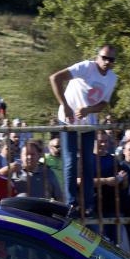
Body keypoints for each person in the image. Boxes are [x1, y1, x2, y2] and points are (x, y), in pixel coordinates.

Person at [49, 45, 118, 217]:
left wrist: (89, 110)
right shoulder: (86, 67)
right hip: (68, 119)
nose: (107, 62)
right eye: (104, 57)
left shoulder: (112, 78)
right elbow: (54, 78)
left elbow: (103, 103)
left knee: (88, 163)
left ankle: (88, 205)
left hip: (88, 122)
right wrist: (65, 106)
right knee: (71, 160)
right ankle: (70, 204)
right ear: (98, 57)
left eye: (111, 60)